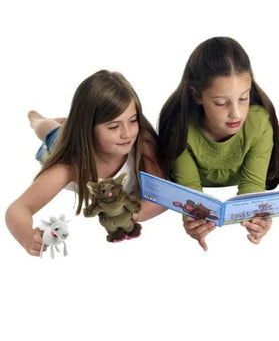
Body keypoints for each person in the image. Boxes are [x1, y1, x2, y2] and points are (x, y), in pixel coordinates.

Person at [6, 70, 164, 256]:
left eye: (133, 120)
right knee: (50, 133)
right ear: (87, 129)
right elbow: (18, 208)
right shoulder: (69, 167)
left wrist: (137, 214)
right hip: (61, 144)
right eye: (113, 126)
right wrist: (26, 235)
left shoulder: (143, 141)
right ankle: (37, 119)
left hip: (79, 133)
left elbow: (160, 192)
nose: (127, 134)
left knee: (60, 130)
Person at [158, 36, 279, 250]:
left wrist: (258, 218)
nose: (236, 113)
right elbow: (190, 190)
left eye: (244, 98)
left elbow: (253, 185)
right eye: (222, 103)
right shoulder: (181, 129)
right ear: (196, 95)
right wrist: (191, 220)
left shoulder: (259, 123)